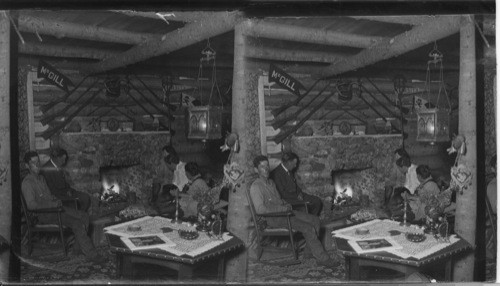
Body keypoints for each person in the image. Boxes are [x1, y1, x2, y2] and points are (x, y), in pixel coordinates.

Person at [250, 155, 338, 267]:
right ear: (256, 170)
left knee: (315, 220)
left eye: (267, 165)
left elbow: (279, 199)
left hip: (285, 213)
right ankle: (323, 258)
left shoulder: (271, 183)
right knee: (308, 228)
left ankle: (309, 253)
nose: (266, 168)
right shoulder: (256, 187)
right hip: (273, 218)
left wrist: (286, 204)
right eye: (262, 167)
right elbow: (260, 210)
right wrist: (282, 208)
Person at [22, 151, 105, 263]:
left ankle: (77, 249)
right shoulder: (27, 183)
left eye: (38, 161)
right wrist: (52, 204)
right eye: (33, 162)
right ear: (27, 165)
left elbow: (49, 195)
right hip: (43, 215)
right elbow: (31, 206)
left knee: (84, 216)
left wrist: (56, 200)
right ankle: (92, 254)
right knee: (77, 223)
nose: (37, 164)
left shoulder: (41, 178)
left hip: (55, 209)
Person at [40, 147, 91, 211]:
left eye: (65, 159)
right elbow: (51, 189)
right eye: (62, 159)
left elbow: (63, 183)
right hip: (57, 196)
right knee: (84, 198)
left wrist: (69, 189)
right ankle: (78, 217)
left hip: (64, 192)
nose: (64, 162)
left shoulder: (57, 166)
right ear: (57, 158)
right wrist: (66, 192)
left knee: (86, 197)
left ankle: (79, 216)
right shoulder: (47, 169)